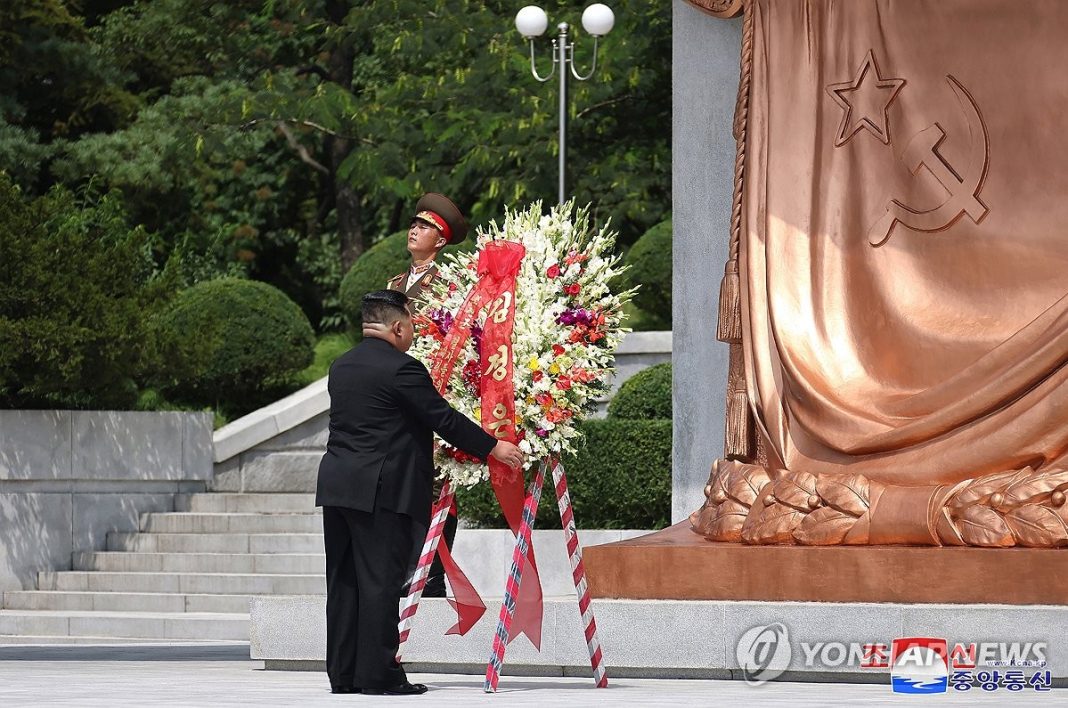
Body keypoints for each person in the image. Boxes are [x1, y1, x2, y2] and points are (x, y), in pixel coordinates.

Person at [315, 289, 524, 696]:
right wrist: (494, 447)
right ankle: (378, 676)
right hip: (380, 489)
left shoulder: (341, 366)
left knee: (344, 581)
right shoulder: (401, 369)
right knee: (379, 582)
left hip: (338, 485)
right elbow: (442, 417)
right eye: (411, 325)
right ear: (397, 326)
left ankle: (344, 674)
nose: (412, 333)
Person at [387, 193, 469, 598]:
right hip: (397, 397)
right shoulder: (394, 285)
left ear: (440, 240)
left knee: (438, 481)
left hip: (434, 391)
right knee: (401, 480)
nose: (413, 230)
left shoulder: (450, 284)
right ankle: (405, 565)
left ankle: (433, 570)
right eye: (414, 224)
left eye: (424, 227)